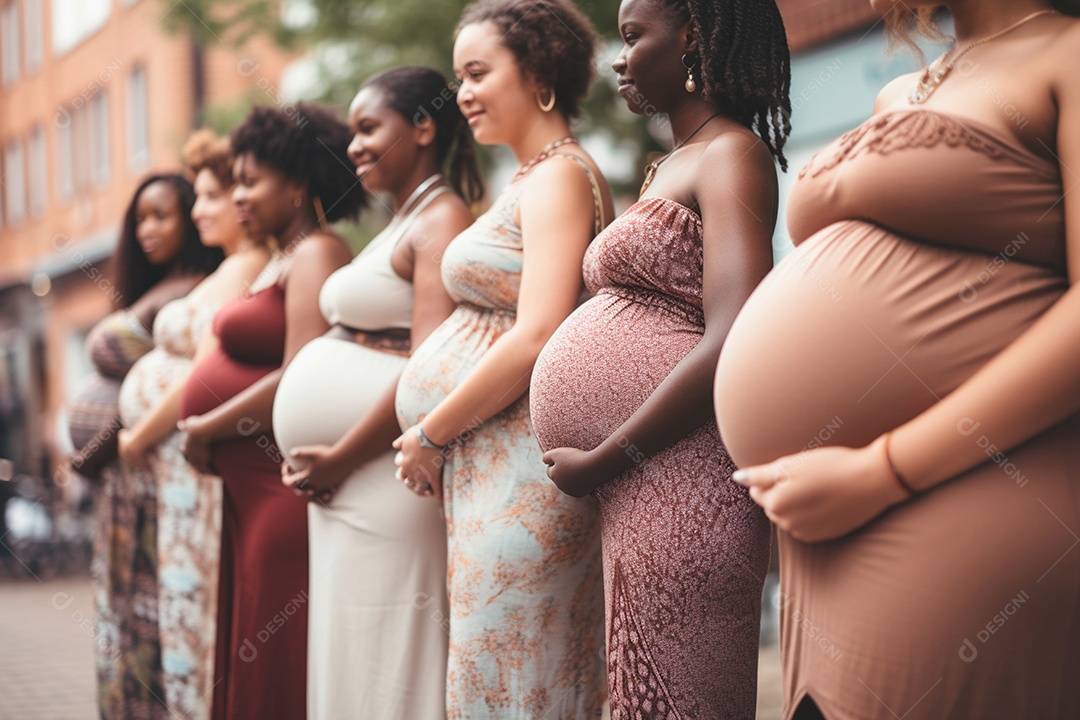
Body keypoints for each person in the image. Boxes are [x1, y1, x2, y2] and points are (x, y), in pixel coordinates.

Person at [714, 2, 1080, 718]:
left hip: (962, 493)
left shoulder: (1066, 57)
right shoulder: (901, 88)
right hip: (825, 522)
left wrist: (883, 469)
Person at [530, 0, 789, 715]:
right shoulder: (673, 163)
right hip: (640, 489)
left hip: (682, 483)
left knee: (677, 702)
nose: (619, 57)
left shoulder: (732, 153)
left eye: (633, 37)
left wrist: (609, 457)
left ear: (695, 40)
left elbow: (734, 330)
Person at [393, 0, 615, 716]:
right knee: (496, 678)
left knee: (525, 678)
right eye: (459, 75)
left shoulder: (558, 176)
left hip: (524, 477)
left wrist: (432, 432)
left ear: (539, 73)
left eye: (479, 72)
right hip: (488, 474)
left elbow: (538, 330)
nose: (462, 93)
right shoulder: (524, 179)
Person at [273, 66, 481, 719]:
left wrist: (339, 455)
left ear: (422, 127)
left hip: (381, 472)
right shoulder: (400, 223)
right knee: (349, 647)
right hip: (348, 478)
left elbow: (429, 369)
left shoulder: (441, 219)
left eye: (369, 128)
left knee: (389, 649)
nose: (354, 145)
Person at [179, 104, 365, 720]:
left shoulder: (316, 252)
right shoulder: (283, 257)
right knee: (255, 639)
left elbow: (299, 372)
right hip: (247, 490)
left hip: (276, 486)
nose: (238, 196)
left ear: (299, 183)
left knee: (277, 649)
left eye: (250, 181)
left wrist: (208, 426)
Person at [116, 130, 270, 720]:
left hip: (189, 464)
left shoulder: (251, 266)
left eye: (211, 196)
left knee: (198, 608)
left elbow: (201, 375)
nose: (200, 209)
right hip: (176, 470)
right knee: (182, 609)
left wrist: (140, 435)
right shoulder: (231, 267)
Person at [66, 174, 222, 719]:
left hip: (150, 476)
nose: (148, 229)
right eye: (141, 218)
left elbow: (159, 394)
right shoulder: (157, 286)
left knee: (151, 614)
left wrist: (97, 452)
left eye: (163, 215)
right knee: (123, 611)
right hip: (122, 486)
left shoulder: (196, 291)